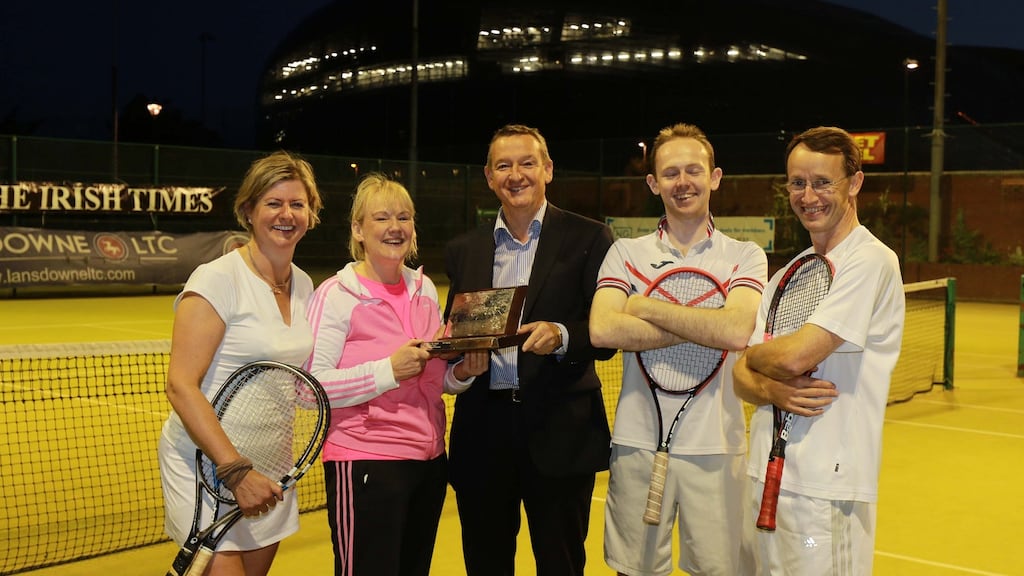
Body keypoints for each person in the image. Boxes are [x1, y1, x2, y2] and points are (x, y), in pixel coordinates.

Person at [590, 122, 767, 575]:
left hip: (719, 446)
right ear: (653, 183)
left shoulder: (746, 255)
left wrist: (643, 305)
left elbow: (735, 332)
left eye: (694, 170)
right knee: (635, 570)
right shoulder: (624, 252)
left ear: (715, 177)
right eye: (670, 173)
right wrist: (707, 319)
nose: (682, 182)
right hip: (635, 444)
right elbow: (603, 329)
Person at [444, 124, 615, 575]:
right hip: (483, 432)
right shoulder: (464, 249)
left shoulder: (591, 238)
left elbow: (605, 332)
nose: (515, 175)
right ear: (488, 175)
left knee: (560, 564)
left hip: (560, 433)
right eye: (503, 165)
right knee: (485, 562)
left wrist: (562, 335)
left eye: (526, 163)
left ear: (548, 169)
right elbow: (458, 328)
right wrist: (459, 355)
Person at [733, 126, 905, 575]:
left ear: (855, 183)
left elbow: (792, 358)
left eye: (823, 182)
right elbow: (739, 381)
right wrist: (771, 390)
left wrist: (754, 359)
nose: (808, 195)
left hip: (827, 488)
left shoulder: (871, 260)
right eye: (797, 182)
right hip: (765, 479)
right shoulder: (788, 273)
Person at [304, 172, 488, 576]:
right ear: (358, 229)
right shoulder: (336, 295)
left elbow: (432, 377)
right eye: (382, 218)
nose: (395, 228)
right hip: (366, 461)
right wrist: (387, 371)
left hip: (429, 461)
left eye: (404, 218)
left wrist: (462, 375)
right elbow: (308, 388)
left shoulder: (424, 290)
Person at [158, 150, 324, 576]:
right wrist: (234, 470)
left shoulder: (303, 283)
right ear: (248, 210)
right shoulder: (217, 279)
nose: (286, 214)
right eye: (273, 203)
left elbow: (301, 381)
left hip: (272, 471)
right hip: (209, 468)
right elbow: (181, 384)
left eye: (297, 204)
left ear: (311, 212)